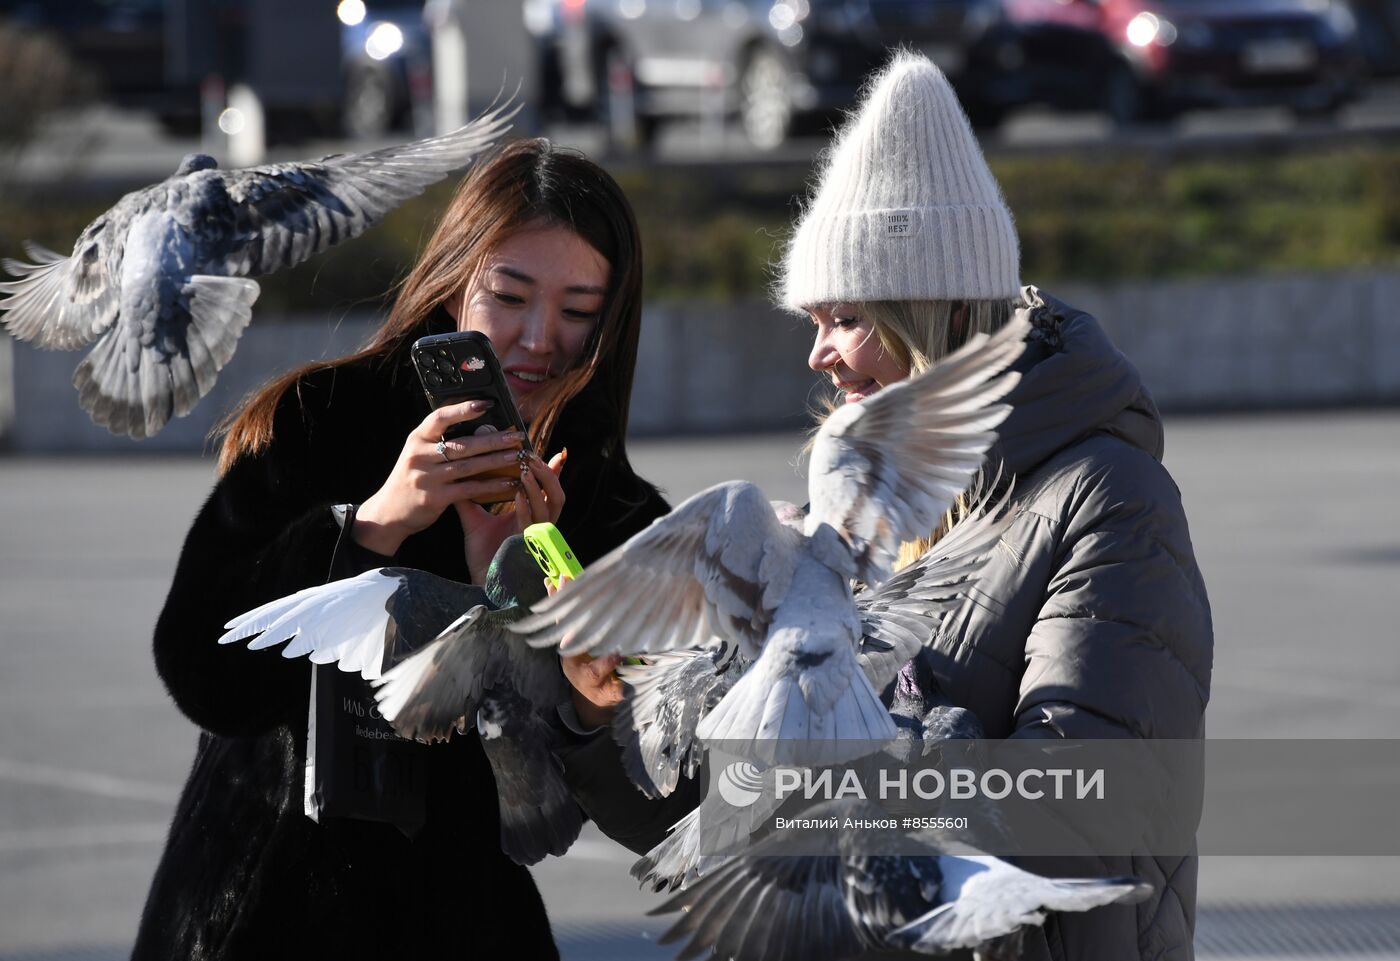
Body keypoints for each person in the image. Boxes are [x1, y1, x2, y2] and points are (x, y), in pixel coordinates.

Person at [132, 138, 699, 961]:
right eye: (509, 295)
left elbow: (651, 780)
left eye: (578, 311)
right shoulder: (324, 418)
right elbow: (198, 665)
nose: (539, 338)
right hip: (261, 912)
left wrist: (517, 584)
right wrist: (370, 525)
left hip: (461, 921)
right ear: (456, 277)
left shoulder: (610, 509)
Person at [778, 52, 1213, 960]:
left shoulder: (1108, 497)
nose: (819, 354)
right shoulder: (864, 502)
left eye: (844, 318)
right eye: (811, 322)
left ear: (929, 317)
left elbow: (1078, 807)